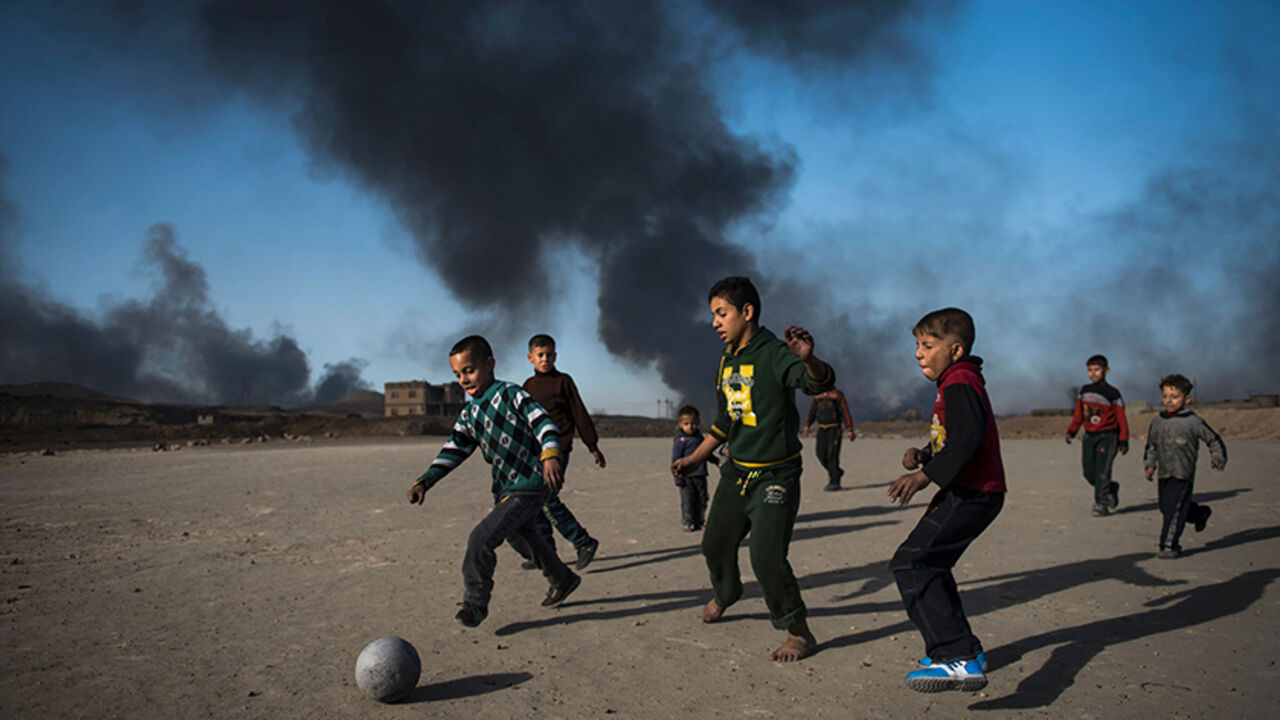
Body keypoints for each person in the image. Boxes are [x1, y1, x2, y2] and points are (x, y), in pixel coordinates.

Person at [672, 276, 835, 662]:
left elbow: (818, 384)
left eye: (721, 313)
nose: (715, 322)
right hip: (736, 473)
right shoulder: (726, 361)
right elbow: (726, 421)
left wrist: (807, 358)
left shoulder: (775, 353)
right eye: (713, 314)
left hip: (776, 476)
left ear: (747, 312)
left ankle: (798, 631)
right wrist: (695, 458)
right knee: (713, 544)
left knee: (766, 557)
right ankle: (727, 593)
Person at [407, 335, 581, 628]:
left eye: (469, 371)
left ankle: (475, 605)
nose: (463, 379)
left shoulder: (512, 395)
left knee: (481, 539)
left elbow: (544, 422)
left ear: (489, 365)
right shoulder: (469, 413)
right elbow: (453, 451)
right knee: (521, 537)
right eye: (457, 374)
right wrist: (426, 480)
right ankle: (562, 578)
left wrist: (550, 454)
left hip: (529, 484)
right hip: (505, 489)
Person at [888, 307, 1005, 693]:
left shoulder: (959, 381)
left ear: (955, 350)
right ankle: (967, 648)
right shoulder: (960, 380)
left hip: (972, 493)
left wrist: (923, 476)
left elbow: (968, 441)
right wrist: (925, 454)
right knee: (932, 563)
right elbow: (955, 436)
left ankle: (954, 655)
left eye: (927, 345)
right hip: (974, 491)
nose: (918, 354)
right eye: (917, 346)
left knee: (912, 562)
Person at [521, 334, 604, 570]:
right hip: (534, 451)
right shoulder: (527, 386)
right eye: (540, 355)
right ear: (530, 358)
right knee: (534, 502)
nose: (545, 359)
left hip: (558, 450)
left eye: (549, 355)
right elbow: (523, 420)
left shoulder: (563, 382)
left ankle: (583, 542)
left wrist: (593, 446)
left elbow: (579, 412)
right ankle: (545, 553)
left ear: (555, 356)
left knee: (547, 499)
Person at [1143, 373, 1227, 559]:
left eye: (1174, 397)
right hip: (1164, 472)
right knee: (1166, 508)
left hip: (1183, 473)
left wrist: (1218, 457)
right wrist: (1150, 465)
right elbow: (1152, 445)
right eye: (1165, 396)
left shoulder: (1193, 421)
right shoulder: (1158, 421)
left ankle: (1168, 545)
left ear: (1187, 399)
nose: (1169, 401)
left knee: (1173, 511)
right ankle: (1199, 514)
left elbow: (1213, 439)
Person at [1065, 354, 1130, 516]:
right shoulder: (1085, 391)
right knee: (1089, 473)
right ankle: (1109, 489)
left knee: (1102, 471)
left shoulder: (1113, 393)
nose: (1093, 373)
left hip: (1108, 437)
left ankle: (1100, 504)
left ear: (1106, 371)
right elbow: (1079, 413)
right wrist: (1072, 431)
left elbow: (1121, 417)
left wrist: (1124, 438)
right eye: (1090, 370)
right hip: (1089, 436)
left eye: (1097, 370)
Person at [670, 405, 719, 531]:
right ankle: (687, 521)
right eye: (686, 423)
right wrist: (678, 479)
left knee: (702, 499)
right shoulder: (680, 440)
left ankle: (700, 521)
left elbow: (704, 453)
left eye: (693, 423)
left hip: (701, 475)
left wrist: (716, 461)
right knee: (688, 500)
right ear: (680, 424)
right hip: (686, 477)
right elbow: (675, 461)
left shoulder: (700, 438)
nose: (690, 426)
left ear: (698, 423)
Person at [804, 387, 855, 491]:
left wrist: (849, 429)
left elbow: (845, 412)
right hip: (822, 428)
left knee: (832, 455)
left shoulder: (837, 395)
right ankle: (837, 472)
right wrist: (807, 425)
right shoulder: (818, 395)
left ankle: (834, 481)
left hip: (834, 428)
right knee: (820, 454)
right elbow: (812, 411)